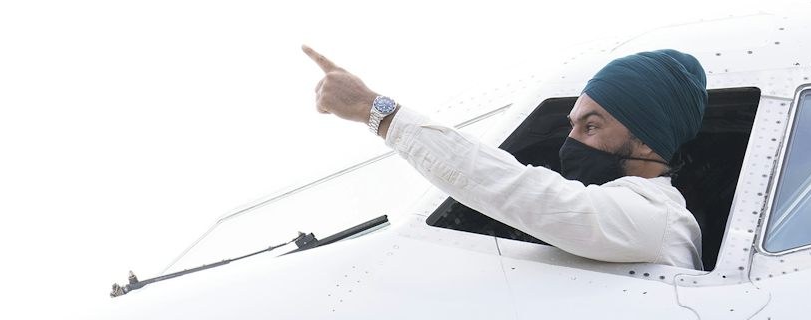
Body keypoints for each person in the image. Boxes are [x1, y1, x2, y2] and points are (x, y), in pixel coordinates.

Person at [303, 46, 707, 269]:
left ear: (646, 141)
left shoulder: (655, 221)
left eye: (591, 126)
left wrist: (376, 112)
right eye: (572, 125)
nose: (571, 142)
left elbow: (512, 188)